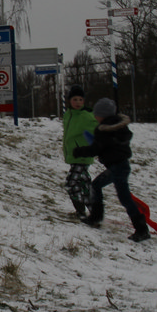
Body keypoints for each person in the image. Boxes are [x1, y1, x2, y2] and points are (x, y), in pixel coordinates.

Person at [73, 97, 150, 241]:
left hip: (117, 168)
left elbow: (95, 149)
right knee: (96, 186)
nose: (95, 117)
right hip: (121, 166)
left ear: (102, 115)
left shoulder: (104, 130)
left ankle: (142, 229)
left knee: (124, 198)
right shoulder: (119, 128)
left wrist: (79, 151)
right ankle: (96, 217)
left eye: (97, 114)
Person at [60, 84, 98, 219]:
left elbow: (98, 127)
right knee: (84, 185)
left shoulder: (86, 116)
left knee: (71, 184)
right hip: (74, 155)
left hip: (82, 155)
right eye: (75, 99)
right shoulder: (68, 115)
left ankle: (81, 211)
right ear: (69, 101)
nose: (78, 102)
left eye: (80, 100)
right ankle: (95, 211)